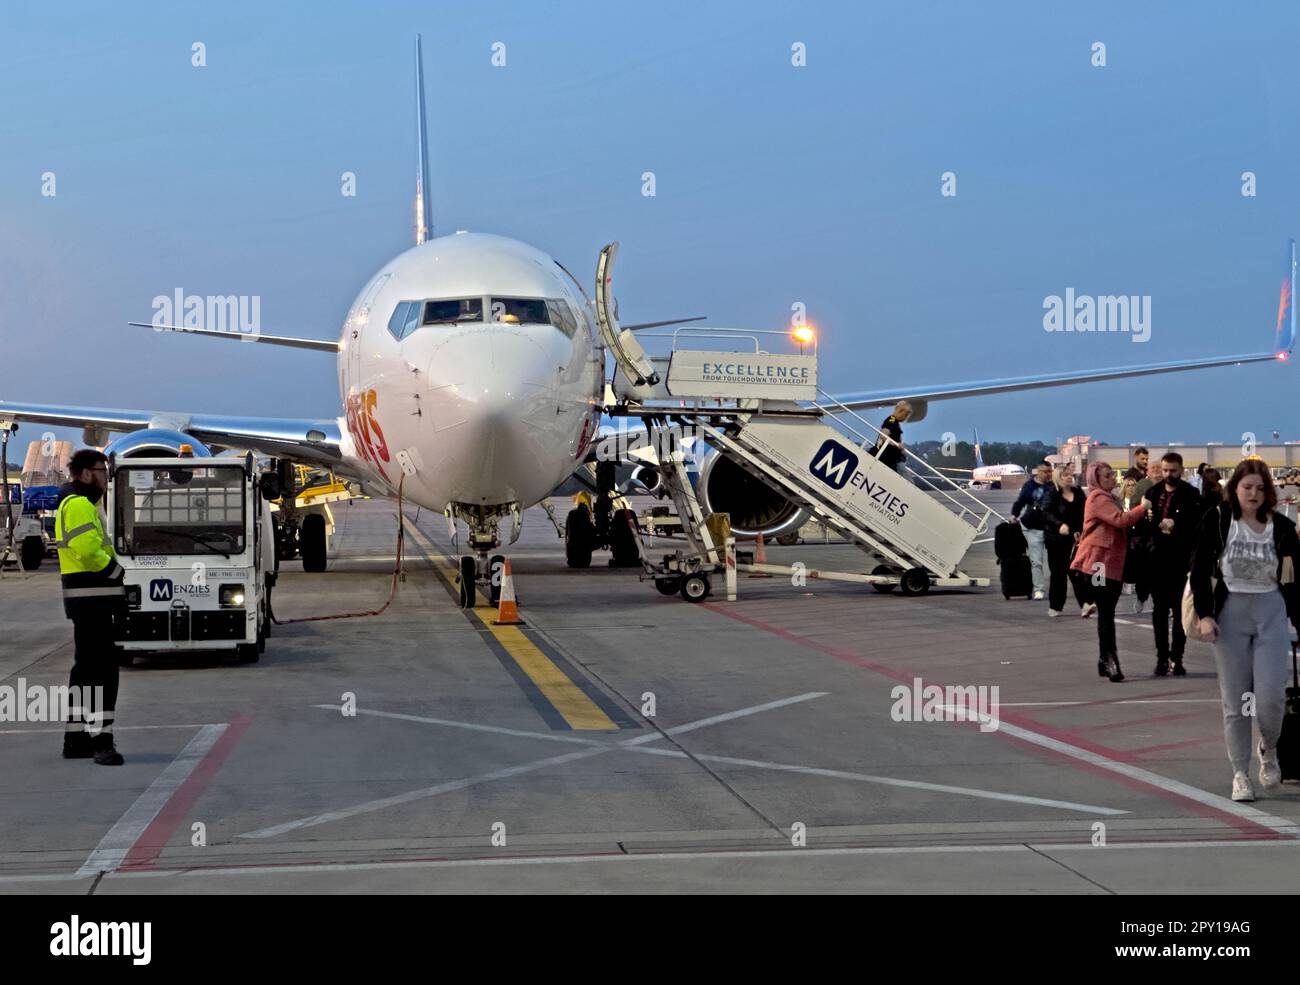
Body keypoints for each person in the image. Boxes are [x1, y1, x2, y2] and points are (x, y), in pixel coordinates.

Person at [1190, 459, 1300, 802]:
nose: (1253, 493)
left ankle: (1268, 748)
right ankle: (1240, 773)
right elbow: (1198, 568)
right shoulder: (1219, 521)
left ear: (1268, 492)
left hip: (1270, 611)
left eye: (1259, 488)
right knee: (1236, 702)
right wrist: (1205, 615)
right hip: (1231, 614)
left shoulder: (1281, 527)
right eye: (1246, 487)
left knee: (1270, 698)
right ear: (1234, 489)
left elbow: (1296, 579)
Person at [55, 449, 125, 766]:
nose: (106, 476)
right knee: (103, 671)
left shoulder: (75, 503)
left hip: (86, 601)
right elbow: (87, 549)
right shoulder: (80, 505)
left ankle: (77, 738)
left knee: (84, 670)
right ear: (85, 474)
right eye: (102, 470)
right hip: (93, 600)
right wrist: (116, 572)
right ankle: (102, 741)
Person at [1070, 462, 1147, 682]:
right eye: (1107, 475)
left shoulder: (1106, 497)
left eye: (1112, 474)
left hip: (1109, 562)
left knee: (1107, 612)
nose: (1113, 477)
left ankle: (1105, 657)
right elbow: (1121, 520)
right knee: (1106, 612)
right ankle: (1110, 659)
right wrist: (1143, 508)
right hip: (1099, 563)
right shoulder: (1099, 498)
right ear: (1097, 479)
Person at [1143, 452, 1200, 676]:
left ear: (1181, 470)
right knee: (1159, 611)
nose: (1168, 475)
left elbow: (1197, 524)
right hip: (1157, 560)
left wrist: (1176, 524)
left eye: (1173, 471)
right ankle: (1161, 658)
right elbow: (1145, 525)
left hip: (1180, 560)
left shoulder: (1191, 494)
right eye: (1165, 470)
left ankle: (1177, 657)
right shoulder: (1153, 493)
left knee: (1179, 611)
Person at [1043, 464, 1093, 617]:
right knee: (1058, 574)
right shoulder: (1052, 494)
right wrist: (1060, 525)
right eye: (1065, 475)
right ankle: (1055, 606)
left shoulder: (1078, 493)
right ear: (1058, 477)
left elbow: (1086, 512)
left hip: (1075, 540)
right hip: (1056, 540)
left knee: (1077, 572)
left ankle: (1086, 604)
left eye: (1070, 475)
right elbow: (1046, 513)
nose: (1069, 477)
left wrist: (1083, 530)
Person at [1011, 462, 1054, 601]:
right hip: (1032, 528)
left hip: (1050, 529)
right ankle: (1039, 589)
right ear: (1038, 471)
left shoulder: (1053, 486)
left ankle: (1057, 587)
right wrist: (1014, 515)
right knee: (1037, 561)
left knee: (1056, 562)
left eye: (1050, 471)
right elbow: (1020, 502)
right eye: (1045, 471)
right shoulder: (1029, 486)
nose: (1048, 474)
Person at [870, 400, 912, 472]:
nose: (905, 416)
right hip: (886, 458)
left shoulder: (894, 422)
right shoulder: (891, 420)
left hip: (889, 458)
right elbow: (883, 435)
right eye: (905, 413)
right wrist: (896, 445)